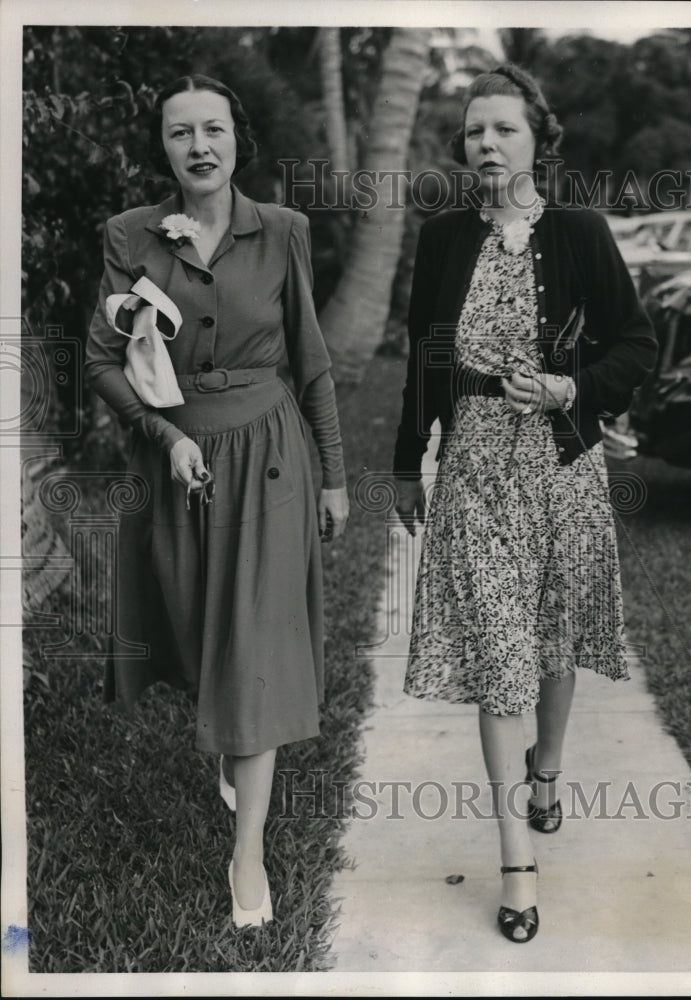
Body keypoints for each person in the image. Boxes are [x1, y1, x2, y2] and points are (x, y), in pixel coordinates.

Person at [392, 64, 658, 942]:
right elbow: (426, 357)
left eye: (504, 129)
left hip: (561, 469)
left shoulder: (580, 231)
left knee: (551, 638)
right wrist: (407, 459)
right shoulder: (440, 239)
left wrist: (569, 387)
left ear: (539, 140)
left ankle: (549, 772)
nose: (487, 145)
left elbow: (636, 344)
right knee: (500, 656)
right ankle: (516, 857)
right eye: (474, 132)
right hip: (474, 474)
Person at [86, 75, 349, 929]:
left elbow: (310, 360)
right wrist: (166, 438)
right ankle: (236, 749)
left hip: (271, 456)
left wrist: (338, 476)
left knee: (255, 659)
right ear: (161, 147)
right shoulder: (130, 238)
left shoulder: (282, 232)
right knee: (201, 639)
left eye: (214, 129)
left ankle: (249, 858)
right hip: (181, 461)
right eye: (179, 133)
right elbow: (99, 359)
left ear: (239, 138)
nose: (199, 146)